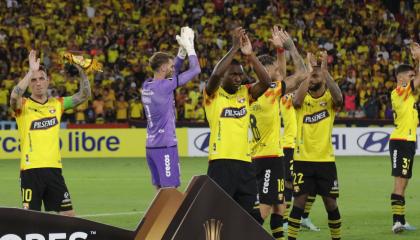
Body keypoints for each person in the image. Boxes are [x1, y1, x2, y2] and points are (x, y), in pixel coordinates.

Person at [9, 50, 91, 216]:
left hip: (54, 170)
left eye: (41, 78)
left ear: (48, 81)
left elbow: (84, 94)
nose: (38, 83)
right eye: (34, 80)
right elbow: (14, 96)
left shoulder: (58, 104)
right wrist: (30, 71)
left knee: (69, 216)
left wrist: (81, 71)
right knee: (32, 220)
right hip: (30, 171)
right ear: (29, 83)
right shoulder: (23, 105)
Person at [204, 27, 271, 218]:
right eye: (233, 74)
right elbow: (215, 75)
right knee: (217, 215)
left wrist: (250, 56)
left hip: (245, 163)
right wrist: (234, 48)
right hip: (221, 163)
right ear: (225, 75)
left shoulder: (245, 93)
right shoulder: (213, 95)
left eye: (240, 75)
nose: (238, 78)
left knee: (250, 215)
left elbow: (266, 82)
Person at [249, 26, 308, 239]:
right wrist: (289, 47)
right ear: (265, 72)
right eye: (273, 69)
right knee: (264, 209)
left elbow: (281, 74)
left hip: (267, 155)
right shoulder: (270, 93)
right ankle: (243, 233)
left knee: (279, 207)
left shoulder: (253, 93)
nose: (277, 72)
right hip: (268, 158)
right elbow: (302, 74)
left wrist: (280, 52)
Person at [287, 51, 343, 240]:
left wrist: (325, 71)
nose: (314, 76)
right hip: (303, 160)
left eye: (317, 75)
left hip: (326, 161)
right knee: (299, 203)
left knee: (331, 204)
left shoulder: (329, 100)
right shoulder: (303, 99)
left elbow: (340, 99)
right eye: (312, 74)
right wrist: (310, 72)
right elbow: (295, 102)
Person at [141, 26, 201, 189]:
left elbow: (172, 76)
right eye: (170, 66)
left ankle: (160, 216)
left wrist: (180, 54)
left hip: (151, 147)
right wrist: (190, 48)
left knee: (160, 190)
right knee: (170, 191)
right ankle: (172, 216)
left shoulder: (147, 85)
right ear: (162, 68)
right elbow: (196, 69)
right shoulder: (164, 87)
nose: (172, 68)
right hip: (165, 146)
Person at [388, 42, 420, 233]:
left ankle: (401, 220)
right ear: (401, 79)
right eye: (410, 76)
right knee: (399, 181)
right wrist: (418, 57)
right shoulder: (399, 91)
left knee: (404, 181)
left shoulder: (409, 95)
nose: (413, 78)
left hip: (408, 141)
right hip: (400, 141)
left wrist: (416, 61)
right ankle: (397, 222)